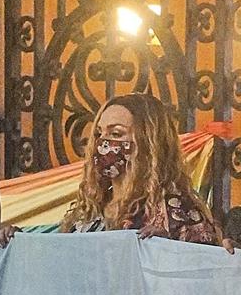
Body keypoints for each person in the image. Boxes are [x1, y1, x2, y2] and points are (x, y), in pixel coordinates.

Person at [60, 93, 224, 243]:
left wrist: (166, 248)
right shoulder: (90, 207)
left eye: (116, 134)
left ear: (148, 142)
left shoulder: (177, 211)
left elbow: (202, 265)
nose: (102, 143)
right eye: (98, 134)